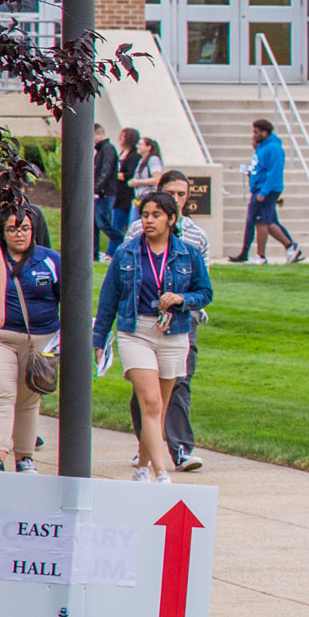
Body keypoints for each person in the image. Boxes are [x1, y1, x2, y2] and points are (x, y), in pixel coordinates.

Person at [94, 191, 213, 484]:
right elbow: (108, 298)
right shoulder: (127, 252)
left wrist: (181, 298)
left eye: (156, 215)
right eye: (145, 214)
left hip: (174, 332)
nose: (148, 220)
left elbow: (205, 293)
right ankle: (161, 473)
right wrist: (99, 340)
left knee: (158, 407)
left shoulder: (188, 253)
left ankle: (142, 467)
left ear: (171, 219)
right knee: (150, 401)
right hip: (136, 332)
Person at [129, 171, 208, 473]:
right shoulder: (139, 229)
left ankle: (180, 448)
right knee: (146, 391)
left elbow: (203, 285)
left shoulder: (197, 236)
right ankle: (145, 446)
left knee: (180, 383)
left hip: (182, 320)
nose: (177, 199)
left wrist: (185, 304)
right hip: (142, 321)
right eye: (170, 193)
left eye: (182, 194)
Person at [0, 205, 51, 474]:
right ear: (2, 233)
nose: (19, 234)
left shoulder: (49, 260)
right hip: (0, 337)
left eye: (25, 228)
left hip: (39, 341)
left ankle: (25, 457)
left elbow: (69, 300)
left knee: (29, 400)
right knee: (1, 394)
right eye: (12, 229)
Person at [232, 118, 302, 264]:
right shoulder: (262, 147)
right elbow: (260, 167)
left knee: (261, 222)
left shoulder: (274, 148)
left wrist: (264, 192)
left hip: (266, 190)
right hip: (259, 187)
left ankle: (260, 256)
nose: (254, 135)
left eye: (256, 132)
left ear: (265, 132)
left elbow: (275, 172)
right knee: (268, 222)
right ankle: (291, 246)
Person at [94, 123, 122, 259]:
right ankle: (93, 254)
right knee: (95, 223)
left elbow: (106, 170)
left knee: (102, 222)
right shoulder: (103, 150)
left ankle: (122, 242)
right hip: (103, 191)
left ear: (99, 134)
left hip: (105, 192)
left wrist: (96, 188)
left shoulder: (107, 149)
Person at [112, 127, 142, 251]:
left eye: (123, 137)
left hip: (126, 194)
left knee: (119, 222)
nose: (120, 139)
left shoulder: (134, 156)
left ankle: (114, 250)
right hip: (117, 192)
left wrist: (114, 175)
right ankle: (112, 249)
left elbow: (129, 174)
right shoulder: (122, 153)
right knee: (115, 221)